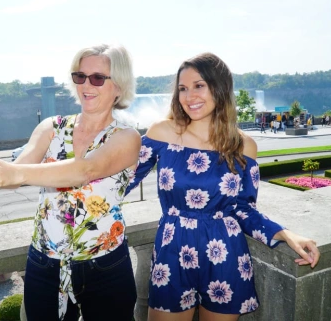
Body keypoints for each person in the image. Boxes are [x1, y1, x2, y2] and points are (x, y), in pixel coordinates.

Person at [125, 52, 320, 321]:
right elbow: (120, 181)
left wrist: (285, 234)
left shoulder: (244, 146)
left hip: (225, 255)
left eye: (199, 86)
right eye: (183, 88)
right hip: (171, 252)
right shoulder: (163, 132)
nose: (189, 96)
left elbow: (243, 209)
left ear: (220, 88)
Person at [0, 44, 141, 321]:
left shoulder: (126, 137)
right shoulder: (50, 128)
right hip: (45, 264)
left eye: (98, 78)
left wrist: (14, 173)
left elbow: (85, 170)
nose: (86, 85)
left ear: (119, 86)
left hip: (105, 265)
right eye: (80, 76)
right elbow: (15, 175)